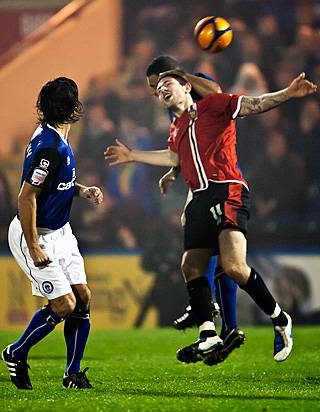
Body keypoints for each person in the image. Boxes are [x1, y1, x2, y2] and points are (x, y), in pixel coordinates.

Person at [105, 69, 317, 365]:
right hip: (199, 198)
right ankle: (208, 335)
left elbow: (255, 105)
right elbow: (174, 157)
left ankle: (280, 319)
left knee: (233, 267)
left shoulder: (215, 105)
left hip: (227, 190)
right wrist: (133, 156)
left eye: (168, 84)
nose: (162, 90)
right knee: (190, 265)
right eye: (159, 89)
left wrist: (288, 93)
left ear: (186, 86)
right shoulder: (176, 127)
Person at [2, 77, 103, 390]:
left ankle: (72, 374)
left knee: (83, 297)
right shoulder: (50, 148)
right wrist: (33, 246)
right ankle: (16, 353)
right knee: (63, 305)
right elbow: (26, 196)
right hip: (35, 233)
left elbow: (55, 183)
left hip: (61, 231)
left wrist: (82, 190)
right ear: (73, 108)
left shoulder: (56, 136)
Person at [146, 55, 245, 364]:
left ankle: (217, 322)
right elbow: (185, 145)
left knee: (217, 257)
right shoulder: (174, 105)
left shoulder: (195, 84)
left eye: (157, 83)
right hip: (199, 184)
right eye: (152, 88)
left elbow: (216, 92)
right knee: (206, 252)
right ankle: (215, 322)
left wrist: (181, 73)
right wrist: (173, 172)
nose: (156, 92)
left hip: (220, 181)